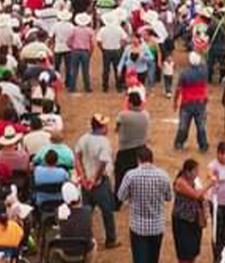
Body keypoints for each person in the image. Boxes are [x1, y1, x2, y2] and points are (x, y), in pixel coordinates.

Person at [117, 146, 172, 263]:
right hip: (157, 227)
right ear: (152, 159)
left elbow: (120, 196)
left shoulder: (131, 175)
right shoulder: (163, 175)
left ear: (138, 160)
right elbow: (169, 197)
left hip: (138, 228)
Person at [74, 113, 119, 249]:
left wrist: (82, 176)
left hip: (86, 181)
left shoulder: (84, 138)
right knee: (107, 212)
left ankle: (85, 240)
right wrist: (94, 179)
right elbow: (103, 163)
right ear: (101, 127)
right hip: (99, 183)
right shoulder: (104, 142)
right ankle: (110, 240)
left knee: (86, 213)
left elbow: (77, 156)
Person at [172, 159, 215, 263]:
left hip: (194, 220)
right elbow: (196, 195)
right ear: (187, 171)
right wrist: (210, 184)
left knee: (193, 252)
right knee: (184, 254)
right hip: (182, 221)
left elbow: (200, 195)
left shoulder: (194, 181)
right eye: (195, 171)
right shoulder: (180, 182)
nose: (197, 173)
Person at [115, 92, 150, 209]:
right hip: (141, 149)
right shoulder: (145, 115)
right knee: (140, 177)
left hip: (126, 150)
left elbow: (117, 128)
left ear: (130, 102)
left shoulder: (123, 115)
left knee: (120, 176)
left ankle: (117, 202)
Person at [173, 52, 209, 152]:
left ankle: (179, 144)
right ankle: (203, 146)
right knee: (201, 126)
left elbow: (178, 89)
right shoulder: (204, 71)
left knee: (183, 126)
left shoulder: (184, 73)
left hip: (187, 103)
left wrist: (175, 102)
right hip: (200, 103)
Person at [67, 13, 95, 93]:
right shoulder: (90, 30)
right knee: (85, 70)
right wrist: (91, 52)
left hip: (75, 51)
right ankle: (87, 87)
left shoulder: (74, 29)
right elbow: (92, 43)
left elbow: (68, 41)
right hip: (85, 51)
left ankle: (72, 87)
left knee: (74, 70)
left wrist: (71, 47)